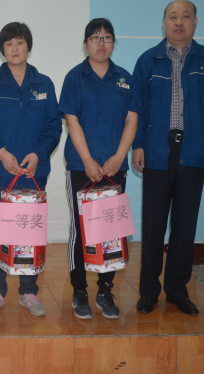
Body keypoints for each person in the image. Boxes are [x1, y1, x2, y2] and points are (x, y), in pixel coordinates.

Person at [132, 0, 204, 316]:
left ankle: (176, 290)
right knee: (153, 227)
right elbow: (136, 108)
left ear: (195, 22)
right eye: (172, 17)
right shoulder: (148, 60)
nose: (178, 22)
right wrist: (137, 144)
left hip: (195, 150)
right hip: (157, 151)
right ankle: (149, 292)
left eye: (185, 16)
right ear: (163, 23)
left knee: (185, 227)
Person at [0, 22, 61, 317]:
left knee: (30, 232)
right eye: (9, 43)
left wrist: (38, 154)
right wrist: (1, 153)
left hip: (34, 173)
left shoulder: (44, 84)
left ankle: (29, 292)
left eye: (20, 43)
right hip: (0, 173)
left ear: (28, 47)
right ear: (2, 49)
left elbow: (53, 126)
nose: (14, 48)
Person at [58, 18, 137, 320]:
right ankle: (80, 290)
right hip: (82, 166)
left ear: (113, 42)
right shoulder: (74, 78)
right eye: (95, 37)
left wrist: (119, 156)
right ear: (85, 44)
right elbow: (72, 121)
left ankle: (105, 290)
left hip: (115, 167)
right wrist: (88, 160)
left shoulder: (125, 78)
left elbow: (132, 119)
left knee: (110, 230)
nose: (101, 43)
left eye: (106, 37)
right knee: (82, 230)